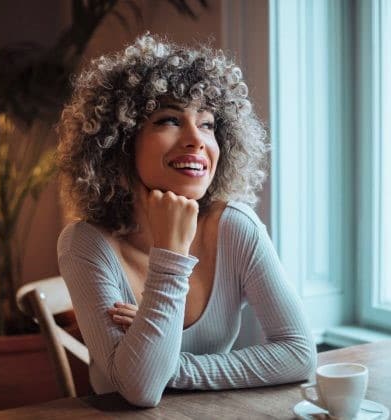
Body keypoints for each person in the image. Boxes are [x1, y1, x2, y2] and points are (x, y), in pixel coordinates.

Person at [56, 34, 316, 407]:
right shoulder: (85, 244)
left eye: (208, 124)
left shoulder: (235, 227)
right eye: (169, 120)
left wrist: (172, 367)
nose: (197, 140)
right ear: (121, 141)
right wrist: (171, 253)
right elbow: (140, 391)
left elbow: (299, 355)